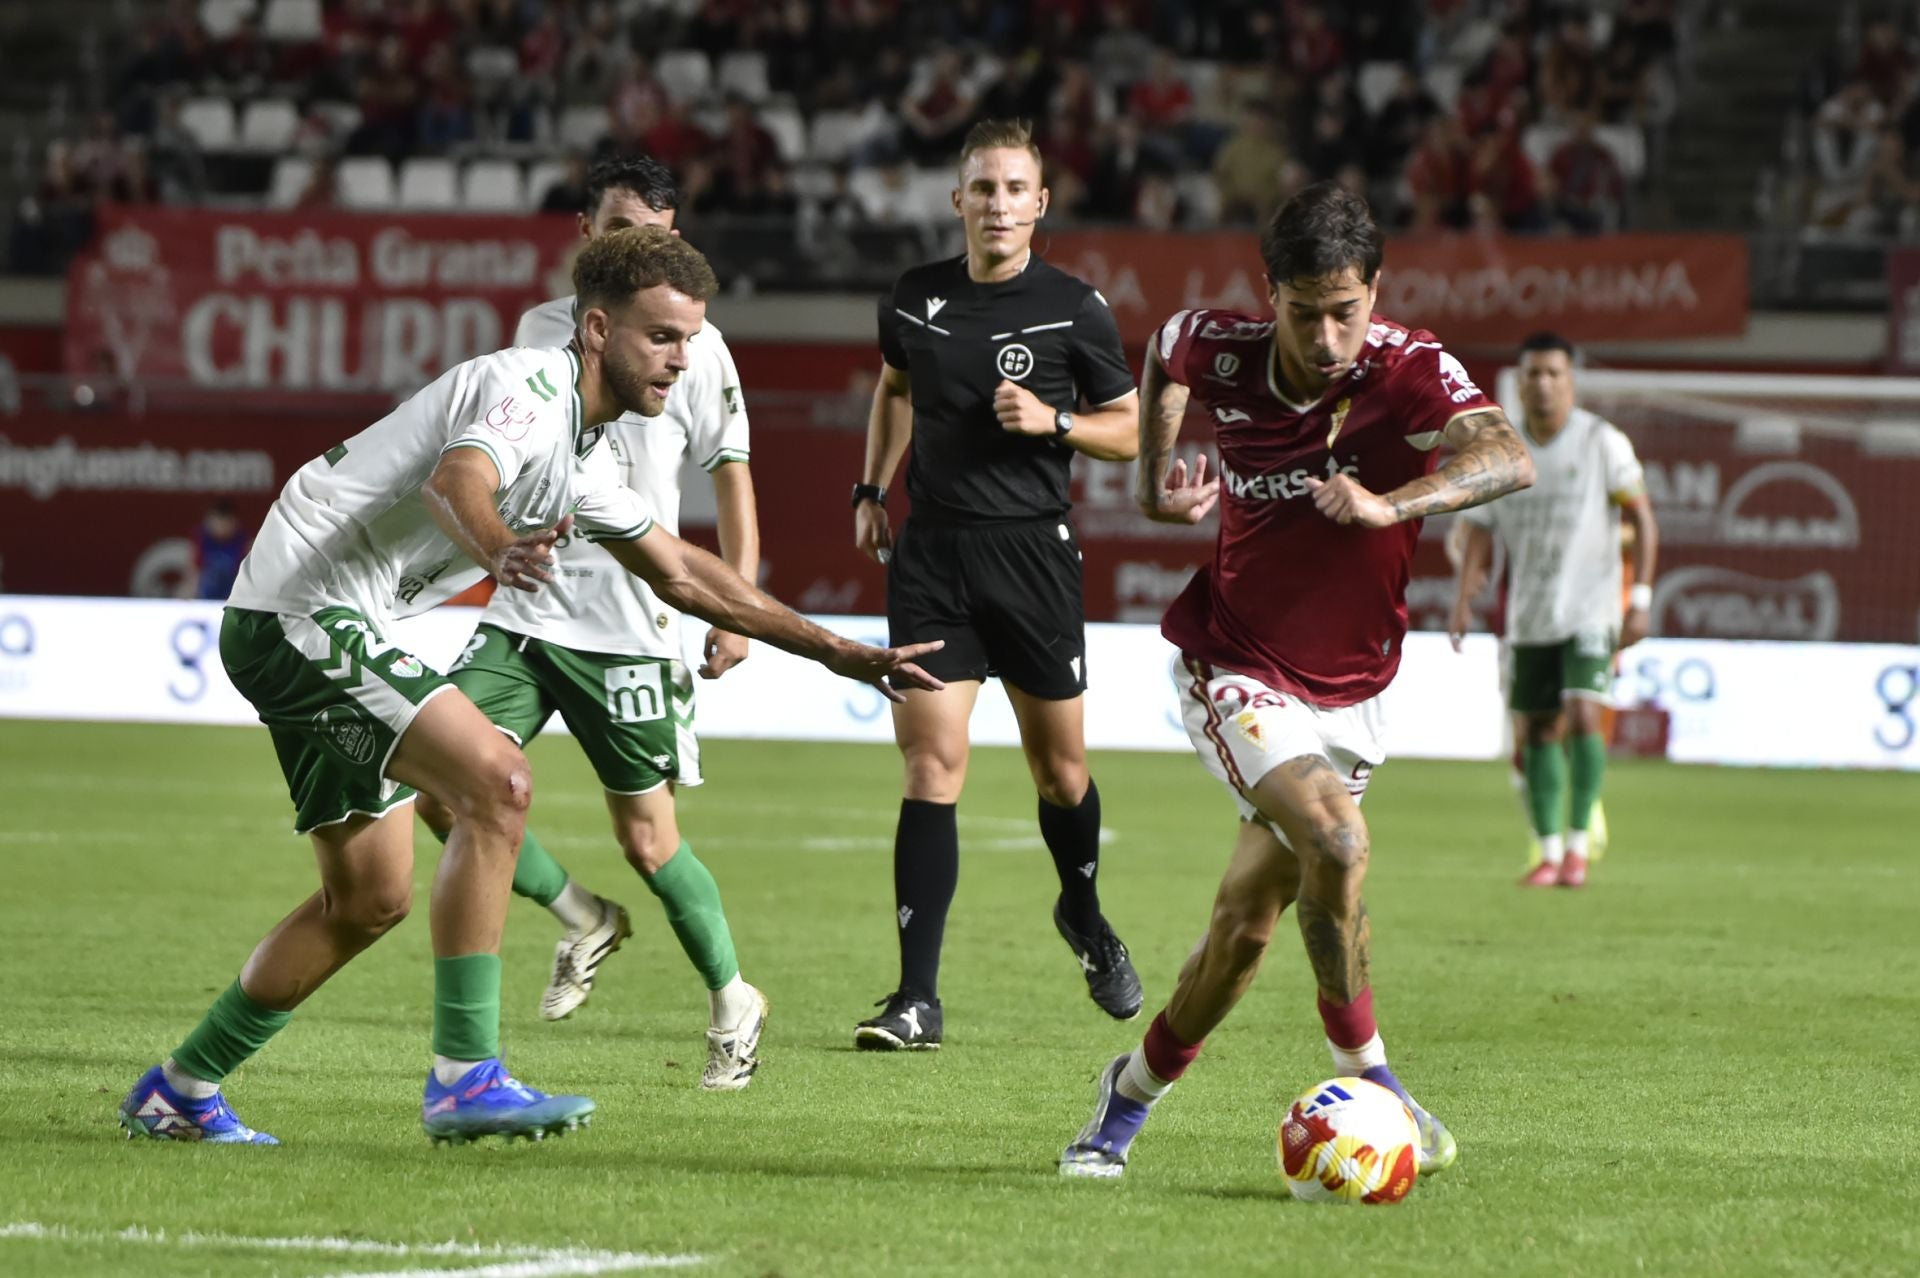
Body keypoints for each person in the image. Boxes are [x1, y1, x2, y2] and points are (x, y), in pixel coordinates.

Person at [118, 227, 942, 1146]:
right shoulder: (530, 386)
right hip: (300, 611)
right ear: (596, 329)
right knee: (497, 783)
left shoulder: (584, 456)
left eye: (692, 339)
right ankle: (466, 1079)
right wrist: (498, 548)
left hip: (333, 619)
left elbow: (681, 572)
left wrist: (834, 649)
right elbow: (456, 480)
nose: (682, 359)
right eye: (661, 337)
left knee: (369, 900)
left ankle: (181, 1090)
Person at [1058, 182, 1535, 1179]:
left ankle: (1126, 1098)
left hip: (1356, 690)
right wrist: (1153, 485)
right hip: (1236, 663)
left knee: (1241, 932)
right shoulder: (1219, 349)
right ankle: (1373, 1078)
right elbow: (1164, 354)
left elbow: (1507, 457)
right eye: (1305, 309)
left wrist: (1391, 504)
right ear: (1268, 290)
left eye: (1346, 310)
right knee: (1338, 836)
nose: (1326, 336)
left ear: (1376, 290)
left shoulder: (1405, 367)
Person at [413, 154, 770, 1091]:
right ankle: (583, 916)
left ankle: (735, 998)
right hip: (530, 606)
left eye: (658, 230)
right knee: (439, 793)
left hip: (629, 621)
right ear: (585, 234)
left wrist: (740, 605)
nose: (640, 245)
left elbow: (731, 477)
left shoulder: (697, 345)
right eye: (621, 226)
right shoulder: (536, 332)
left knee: (649, 841)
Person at [852, 118, 1144, 1050]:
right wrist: (871, 487)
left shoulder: (1076, 308)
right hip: (933, 555)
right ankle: (916, 998)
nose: (998, 204)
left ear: (1040, 204)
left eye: (1015, 189)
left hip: (1032, 558)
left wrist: (1055, 420)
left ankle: (1085, 917)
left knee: (1061, 776)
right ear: (959, 202)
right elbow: (895, 389)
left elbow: (1131, 430)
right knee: (930, 764)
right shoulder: (914, 297)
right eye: (983, 189)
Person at [1447, 332, 1656, 888]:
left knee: (1586, 713)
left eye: (1553, 373)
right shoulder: (1504, 453)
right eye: (1533, 373)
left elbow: (1645, 519)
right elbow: (1479, 534)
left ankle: (1580, 847)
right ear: (1518, 382)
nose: (1542, 383)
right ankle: (1547, 852)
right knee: (1536, 732)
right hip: (1531, 615)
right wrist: (1463, 599)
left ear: (1570, 381)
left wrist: (1640, 601)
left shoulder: (1601, 442)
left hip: (1592, 609)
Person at [190, 499, 249, 601]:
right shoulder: (201, 538)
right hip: (206, 594)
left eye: (224, 523)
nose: (221, 527)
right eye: (217, 523)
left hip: (233, 596)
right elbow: (194, 572)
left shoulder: (244, 541)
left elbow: (246, 577)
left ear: (233, 522)